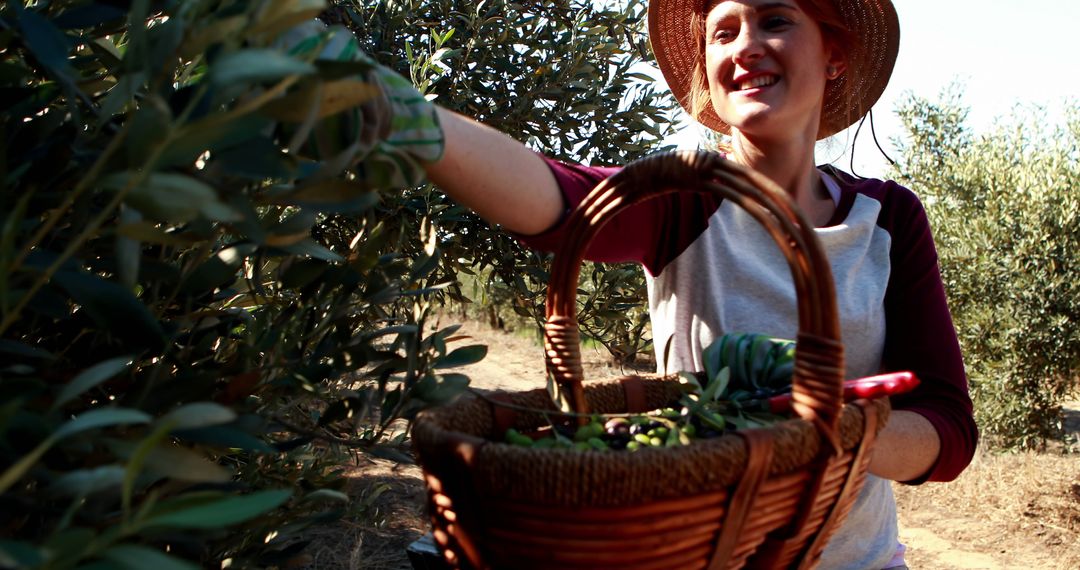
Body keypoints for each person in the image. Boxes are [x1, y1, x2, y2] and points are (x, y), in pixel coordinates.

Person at [296, 0, 979, 567]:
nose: (747, 46)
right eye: (723, 31)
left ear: (834, 53)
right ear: (708, 74)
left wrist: (836, 432)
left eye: (776, 19)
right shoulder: (689, 200)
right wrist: (393, 110)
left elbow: (948, 429)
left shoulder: (887, 218)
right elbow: (563, 201)